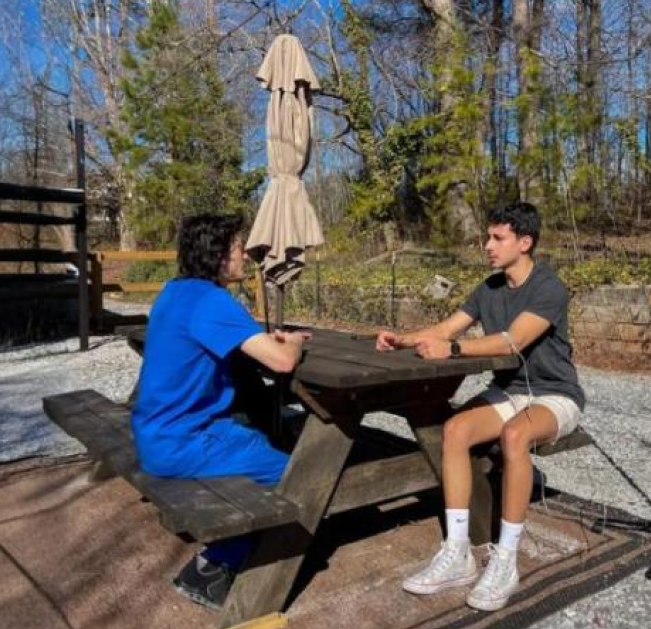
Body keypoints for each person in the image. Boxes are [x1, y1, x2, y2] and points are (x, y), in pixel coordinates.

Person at [376, 202, 585, 612]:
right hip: (508, 392)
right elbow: (445, 328)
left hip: (554, 394)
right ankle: (458, 552)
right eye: (487, 237)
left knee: (515, 435)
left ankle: (505, 559)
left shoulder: (549, 287)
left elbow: (514, 340)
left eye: (497, 238)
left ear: (525, 243)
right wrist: (402, 338)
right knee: (454, 430)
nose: (487, 245)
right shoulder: (488, 288)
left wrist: (451, 349)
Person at [131, 213, 309, 610]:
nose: (244, 254)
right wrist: (293, 342)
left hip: (156, 433)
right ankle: (215, 566)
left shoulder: (176, 291)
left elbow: (228, 338)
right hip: (185, 442)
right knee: (302, 477)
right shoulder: (211, 300)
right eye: (236, 247)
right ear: (216, 254)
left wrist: (263, 340)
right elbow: (281, 362)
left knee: (260, 436)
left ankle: (229, 551)